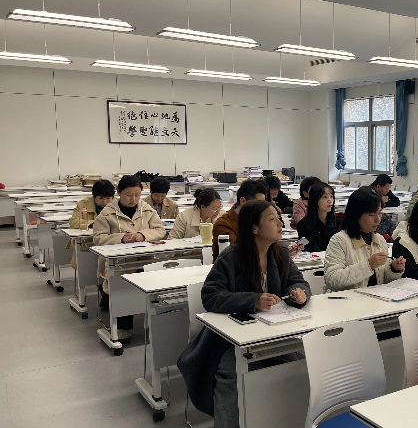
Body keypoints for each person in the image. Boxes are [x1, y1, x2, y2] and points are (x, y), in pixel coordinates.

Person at [178, 199, 312, 427]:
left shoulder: (279, 253)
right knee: (232, 373)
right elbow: (210, 296)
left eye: (279, 218)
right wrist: (252, 301)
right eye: (272, 219)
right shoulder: (232, 256)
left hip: (271, 335)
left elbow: (298, 282)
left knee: (297, 364)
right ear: (254, 228)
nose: (280, 224)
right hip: (228, 341)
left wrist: (299, 293)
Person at [92, 174, 166, 341]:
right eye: (129, 195)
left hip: (146, 260)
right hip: (121, 264)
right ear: (119, 192)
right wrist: (121, 238)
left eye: (137, 195)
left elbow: (160, 230)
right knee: (123, 291)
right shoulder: (107, 213)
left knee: (154, 287)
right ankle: (122, 327)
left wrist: (143, 235)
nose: (133, 199)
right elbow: (98, 238)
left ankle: (155, 322)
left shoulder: (147, 209)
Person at [324, 189, 406, 291]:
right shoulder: (339, 240)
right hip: (348, 299)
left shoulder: (379, 240)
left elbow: (382, 280)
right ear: (356, 215)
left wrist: (393, 269)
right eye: (371, 214)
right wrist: (368, 265)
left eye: (379, 213)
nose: (377, 219)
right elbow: (332, 280)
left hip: (374, 297)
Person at [211, 179, 269, 260]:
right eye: (258, 204)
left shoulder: (259, 220)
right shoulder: (223, 224)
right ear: (243, 201)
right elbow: (237, 254)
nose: (262, 208)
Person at [67, 179, 115, 269]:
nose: (104, 202)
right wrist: (94, 223)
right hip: (88, 242)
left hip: (110, 242)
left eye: (108, 198)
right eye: (101, 198)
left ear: (113, 197)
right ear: (93, 195)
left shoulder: (118, 204)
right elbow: (74, 222)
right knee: (88, 269)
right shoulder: (83, 204)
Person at [296, 182, 339, 253]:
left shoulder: (338, 221)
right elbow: (312, 249)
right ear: (315, 199)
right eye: (325, 197)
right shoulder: (304, 225)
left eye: (331, 196)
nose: (330, 200)